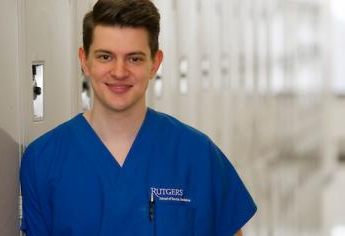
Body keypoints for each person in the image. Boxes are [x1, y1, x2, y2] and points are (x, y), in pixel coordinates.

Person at [20, 0, 257, 235]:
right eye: (105, 57)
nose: (119, 72)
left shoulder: (197, 155)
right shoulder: (43, 160)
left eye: (134, 58)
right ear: (84, 61)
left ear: (155, 63)